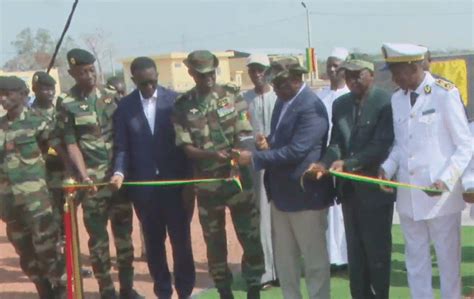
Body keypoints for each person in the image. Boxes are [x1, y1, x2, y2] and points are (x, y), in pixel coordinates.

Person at [379, 43, 473, 299]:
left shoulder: (444, 93)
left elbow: (465, 144)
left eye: (396, 71)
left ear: (413, 67)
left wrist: (445, 180)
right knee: (415, 262)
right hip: (409, 196)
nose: (393, 78)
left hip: (440, 198)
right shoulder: (397, 99)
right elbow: (401, 145)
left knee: (447, 264)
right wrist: (387, 168)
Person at [236, 57, 334, 299]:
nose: (276, 89)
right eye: (275, 84)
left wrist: (256, 159)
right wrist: (267, 142)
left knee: (314, 263)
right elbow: (283, 140)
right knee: (286, 263)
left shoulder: (311, 106)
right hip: (281, 195)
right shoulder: (284, 101)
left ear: (296, 79)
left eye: (281, 84)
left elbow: (297, 150)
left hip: (305, 197)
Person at [172, 50, 264, 299]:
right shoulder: (182, 106)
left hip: (238, 178)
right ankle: (224, 291)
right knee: (214, 242)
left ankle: (253, 286)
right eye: (202, 75)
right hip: (207, 183)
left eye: (211, 73)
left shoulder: (232, 95)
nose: (208, 78)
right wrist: (212, 156)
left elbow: (245, 133)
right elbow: (186, 147)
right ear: (191, 73)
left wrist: (237, 156)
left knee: (250, 235)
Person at [307, 55, 395, 299]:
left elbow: (381, 145)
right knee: (355, 255)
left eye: (358, 74)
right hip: (348, 192)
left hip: (376, 191)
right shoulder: (341, 104)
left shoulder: (385, 102)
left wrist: (349, 163)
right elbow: (336, 143)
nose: (353, 80)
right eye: (349, 75)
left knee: (376, 254)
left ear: (372, 74)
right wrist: (323, 163)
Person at [56, 48, 142, 299]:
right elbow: (71, 143)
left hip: (117, 180)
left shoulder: (112, 97)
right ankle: (107, 291)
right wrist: (83, 177)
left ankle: (127, 289)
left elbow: (124, 137)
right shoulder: (67, 103)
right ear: (72, 73)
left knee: (124, 239)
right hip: (91, 184)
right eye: (82, 72)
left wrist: (122, 170)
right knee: (98, 242)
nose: (89, 75)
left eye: (91, 70)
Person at [110, 56, 195, 299]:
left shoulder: (175, 101)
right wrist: (119, 172)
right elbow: (122, 147)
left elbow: (186, 145)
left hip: (176, 186)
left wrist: (189, 181)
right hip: (145, 191)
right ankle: (163, 291)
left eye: (153, 82)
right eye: (143, 83)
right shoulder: (125, 107)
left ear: (157, 76)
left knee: (181, 243)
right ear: (133, 80)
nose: (149, 87)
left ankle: (185, 291)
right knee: (154, 245)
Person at [0, 76, 66, 298]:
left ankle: (61, 292)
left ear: (22, 94)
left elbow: (60, 154)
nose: (3, 99)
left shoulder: (39, 122)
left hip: (38, 205)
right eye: (0, 95)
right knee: (26, 256)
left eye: (8, 94)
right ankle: (44, 292)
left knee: (48, 252)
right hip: (10, 205)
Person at [241, 53, 278, 288]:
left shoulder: (279, 97)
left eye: (261, 70)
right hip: (255, 169)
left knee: (280, 220)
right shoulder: (243, 100)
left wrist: (271, 143)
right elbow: (239, 134)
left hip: (280, 165)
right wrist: (253, 141)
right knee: (260, 219)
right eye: (253, 70)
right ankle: (264, 272)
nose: (257, 74)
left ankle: (282, 270)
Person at [316, 47, 350, 271]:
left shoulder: (349, 96)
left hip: (344, 160)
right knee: (327, 210)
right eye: (329, 65)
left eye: (336, 65)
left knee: (344, 210)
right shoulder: (320, 97)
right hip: (323, 159)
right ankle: (330, 258)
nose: (331, 69)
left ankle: (346, 257)